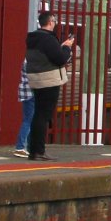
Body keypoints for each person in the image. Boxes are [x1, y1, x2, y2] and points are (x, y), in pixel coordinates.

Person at [22, 10, 76, 162]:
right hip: (49, 80)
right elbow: (60, 59)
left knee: (38, 114)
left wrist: (60, 46)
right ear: (50, 22)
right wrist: (66, 47)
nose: (55, 23)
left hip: (36, 80)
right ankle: (39, 151)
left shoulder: (34, 38)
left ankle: (33, 150)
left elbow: (47, 56)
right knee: (43, 116)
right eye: (54, 21)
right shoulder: (49, 39)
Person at [13, 65, 36, 159]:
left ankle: (29, 148)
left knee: (29, 121)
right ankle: (20, 147)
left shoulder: (27, 59)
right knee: (28, 121)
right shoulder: (33, 59)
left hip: (25, 92)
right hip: (31, 92)